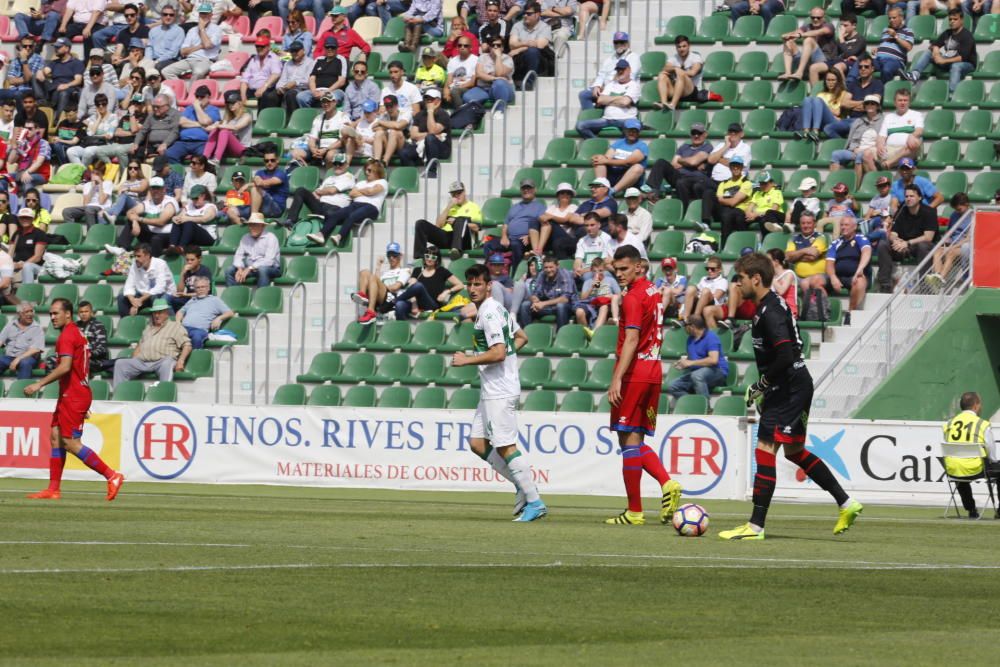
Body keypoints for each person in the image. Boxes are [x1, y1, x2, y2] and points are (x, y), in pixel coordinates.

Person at [720, 252, 863, 540]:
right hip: (792, 384)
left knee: (764, 449)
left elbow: (785, 354)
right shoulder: (767, 307)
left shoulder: (770, 310)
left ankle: (756, 525)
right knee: (794, 452)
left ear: (756, 278)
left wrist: (762, 383)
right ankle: (847, 503)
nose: (738, 285)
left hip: (788, 388)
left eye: (741, 279)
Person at [451, 263, 547, 521]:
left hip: (500, 389)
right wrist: (491, 357)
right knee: (477, 443)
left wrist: (467, 359)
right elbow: (521, 338)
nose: (472, 289)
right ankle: (522, 486)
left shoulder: (490, 312)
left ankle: (535, 501)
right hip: (493, 387)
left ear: (488, 285)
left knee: (505, 445)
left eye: (477, 284)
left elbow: (499, 352)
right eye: (469, 284)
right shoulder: (496, 309)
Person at [604, 244, 682, 525]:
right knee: (634, 439)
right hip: (653, 371)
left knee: (627, 439)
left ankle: (636, 510)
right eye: (617, 269)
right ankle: (666, 485)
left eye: (624, 268)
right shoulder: (653, 290)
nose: (619, 274)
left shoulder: (634, 298)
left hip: (635, 373)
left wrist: (616, 378)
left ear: (639, 266)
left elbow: (633, 339)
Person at [24, 298, 124, 502]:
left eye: (56, 313)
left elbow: (65, 367)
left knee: (71, 443)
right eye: (50, 313)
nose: (52, 317)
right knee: (55, 437)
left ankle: (112, 475)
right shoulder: (76, 333)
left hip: (74, 395)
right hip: (71, 394)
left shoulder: (67, 336)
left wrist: (39, 384)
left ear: (68, 314)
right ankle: (53, 489)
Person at [112, 297, 192, 387]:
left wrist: (181, 361)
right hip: (143, 361)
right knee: (121, 363)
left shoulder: (175, 327)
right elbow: (141, 344)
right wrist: (134, 358)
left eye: (160, 312)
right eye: (154, 312)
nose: (156, 315)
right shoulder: (148, 327)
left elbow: (187, 345)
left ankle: (165, 392)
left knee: (168, 363)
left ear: (166, 313)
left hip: (162, 361)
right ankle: (119, 394)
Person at [941, 391, 998, 519]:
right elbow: (991, 452)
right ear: (976, 406)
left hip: (953, 469)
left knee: (960, 470)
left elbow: (946, 444)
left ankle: (971, 509)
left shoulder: (949, 424)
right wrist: (994, 462)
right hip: (976, 468)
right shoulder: (982, 424)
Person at [306, 160, 387, 248]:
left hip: (371, 207)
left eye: (369, 170)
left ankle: (339, 237)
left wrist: (360, 191)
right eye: (366, 170)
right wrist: (366, 191)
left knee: (352, 215)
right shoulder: (361, 183)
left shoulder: (382, 182)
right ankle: (321, 235)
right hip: (356, 204)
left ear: (377, 171)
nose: (366, 172)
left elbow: (371, 191)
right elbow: (352, 194)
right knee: (335, 215)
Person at [877, 184, 936, 292]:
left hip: (919, 246)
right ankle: (885, 284)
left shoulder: (929, 212)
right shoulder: (902, 210)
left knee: (924, 246)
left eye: (912, 196)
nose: (908, 199)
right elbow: (893, 233)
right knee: (883, 244)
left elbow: (928, 237)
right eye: (906, 196)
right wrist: (896, 241)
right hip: (903, 246)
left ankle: (925, 285)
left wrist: (907, 243)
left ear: (920, 197)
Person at [642, 122, 713, 207]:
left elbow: (693, 162)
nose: (696, 136)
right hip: (679, 175)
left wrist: (682, 161)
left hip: (696, 179)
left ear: (705, 134)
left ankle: (683, 209)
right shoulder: (684, 147)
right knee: (661, 162)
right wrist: (692, 163)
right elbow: (674, 164)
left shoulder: (708, 147)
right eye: (694, 133)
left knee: (681, 183)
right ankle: (653, 191)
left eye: (699, 133)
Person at [482, 178, 546, 272]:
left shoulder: (540, 207)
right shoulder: (514, 207)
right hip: (509, 239)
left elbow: (542, 225)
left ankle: (515, 273)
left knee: (516, 245)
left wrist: (529, 236)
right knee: (488, 244)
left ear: (535, 190)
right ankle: (489, 271)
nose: (526, 190)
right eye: (524, 188)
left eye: (529, 188)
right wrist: (504, 236)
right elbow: (506, 224)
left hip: (524, 241)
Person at [280, 152, 354, 228]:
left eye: (340, 164)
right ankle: (290, 220)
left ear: (346, 165)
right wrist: (322, 192)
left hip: (335, 209)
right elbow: (316, 193)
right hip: (321, 206)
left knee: (330, 213)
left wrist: (321, 192)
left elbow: (332, 190)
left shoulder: (348, 177)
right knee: (300, 190)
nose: (337, 166)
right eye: (335, 163)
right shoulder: (329, 178)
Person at [667, 315, 729, 400]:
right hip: (697, 373)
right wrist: (683, 363)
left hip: (717, 371)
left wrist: (690, 363)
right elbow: (692, 358)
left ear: (692, 326)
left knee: (697, 376)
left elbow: (713, 360)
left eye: (686, 326)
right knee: (673, 386)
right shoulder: (690, 339)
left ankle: (705, 407)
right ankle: (692, 404)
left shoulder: (711, 337)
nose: (684, 328)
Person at [393, 244, 464, 319]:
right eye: (427, 256)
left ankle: (393, 302)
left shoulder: (442, 271)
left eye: (433, 257)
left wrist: (446, 292)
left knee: (419, 286)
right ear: (424, 257)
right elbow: (411, 288)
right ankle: (404, 328)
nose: (429, 259)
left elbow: (460, 284)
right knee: (399, 305)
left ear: (437, 259)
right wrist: (414, 305)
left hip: (432, 304)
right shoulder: (417, 270)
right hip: (417, 303)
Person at [575, 59, 639, 139]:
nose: (620, 72)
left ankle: (619, 148)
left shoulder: (633, 85)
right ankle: (598, 144)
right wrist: (620, 98)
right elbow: (600, 100)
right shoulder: (611, 84)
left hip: (625, 119)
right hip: (607, 119)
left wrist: (608, 101)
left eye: (623, 69)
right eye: (618, 69)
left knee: (631, 129)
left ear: (629, 70)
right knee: (580, 125)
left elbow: (625, 102)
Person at [829, 94, 883, 191]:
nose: (870, 106)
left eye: (873, 104)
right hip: (856, 149)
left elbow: (882, 140)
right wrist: (854, 148)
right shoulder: (858, 121)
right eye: (867, 104)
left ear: (878, 106)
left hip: (871, 151)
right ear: (864, 106)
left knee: (860, 156)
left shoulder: (883, 121)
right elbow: (852, 138)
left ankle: (856, 188)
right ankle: (834, 184)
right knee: (835, 154)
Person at [416, 181, 482, 259]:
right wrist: (448, 207)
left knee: (460, 219)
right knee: (420, 223)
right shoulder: (450, 207)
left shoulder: (473, 206)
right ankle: (419, 256)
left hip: (463, 239)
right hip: (447, 237)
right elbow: (438, 225)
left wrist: (456, 222)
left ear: (464, 192)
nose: (457, 196)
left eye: (459, 193)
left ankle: (456, 250)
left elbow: (477, 227)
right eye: (453, 194)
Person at [352, 242, 413, 325]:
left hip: (392, 300)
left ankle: (370, 311)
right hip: (382, 300)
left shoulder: (405, 271)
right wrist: (378, 266)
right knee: (364, 272)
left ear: (400, 256)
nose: (391, 258)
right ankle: (363, 296)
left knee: (373, 277)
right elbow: (375, 281)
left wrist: (379, 287)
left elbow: (395, 287)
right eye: (389, 255)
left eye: (394, 255)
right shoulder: (384, 273)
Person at [117, 176, 178, 256]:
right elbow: (130, 212)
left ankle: (155, 261)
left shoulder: (170, 202)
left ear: (164, 190)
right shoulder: (148, 202)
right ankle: (122, 248)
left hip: (166, 235)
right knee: (130, 221)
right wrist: (135, 221)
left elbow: (161, 222)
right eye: (153, 188)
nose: (155, 191)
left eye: (158, 188)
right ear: (150, 190)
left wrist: (139, 219)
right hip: (151, 233)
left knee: (155, 239)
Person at [161, 3, 223, 82]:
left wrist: (201, 29)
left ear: (211, 15)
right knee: (166, 71)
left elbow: (207, 45)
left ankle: (191, 93)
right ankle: (182, 90)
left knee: (198, 72)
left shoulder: (216, 29)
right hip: (189, 59)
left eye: (206, 14)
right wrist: (200, 46)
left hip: (205, 60)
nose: (203, 16)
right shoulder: (192, 30)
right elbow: (183, 51)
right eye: (201, 13)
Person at [579, 31, 640, 110]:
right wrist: (597, 86)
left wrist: (606, 86)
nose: (619, 45)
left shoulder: (633, 57)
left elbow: (629, 76)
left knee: (602, 96)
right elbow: (601, 75)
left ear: (627, 43)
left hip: (623, 88)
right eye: (616, 42)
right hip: (607, 87)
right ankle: (592, 115)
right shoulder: (610, 58)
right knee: (584, 95)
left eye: (622, 42)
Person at [825, 215, 871, 319]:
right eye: (841, 225)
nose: (843, 227)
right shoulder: (835, 242)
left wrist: (859, 271)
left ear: (854, 227)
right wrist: (833, 277)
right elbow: (829, 263)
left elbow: (866, 252)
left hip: (855, 276)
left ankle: (850, 313)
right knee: (815, 281)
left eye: (846, 225)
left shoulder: (860, 238)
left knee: (859, 282)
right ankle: (824, 311)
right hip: (838, 277)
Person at [926, 192, 973, 291]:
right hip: (953, 244)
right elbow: (949, 232)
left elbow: (969, 238)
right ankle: (937, 276)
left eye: (959, 209)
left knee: (950, 252)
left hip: (964, 246)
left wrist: (953, 246)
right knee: (937, 250)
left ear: (967, 204)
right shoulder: (954, 214)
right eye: (956, 209)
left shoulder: (974, 216)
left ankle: (941, 278)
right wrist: (945, 241)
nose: (957, 211)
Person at [401, 89, 451, 177]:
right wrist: (430, 135)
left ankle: (431, 171)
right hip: (422, 145)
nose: (428, 101)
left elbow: (432, 130)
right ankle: (412, 176)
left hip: (441, 149)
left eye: (431, 99)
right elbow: (413, 135)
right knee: (404, 152)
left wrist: (430, 112)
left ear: (438, 101)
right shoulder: (420, 115)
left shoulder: (443, 115)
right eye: (426, 99)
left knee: (430, 138)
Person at [32, 37, 85, 121]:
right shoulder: (54, 62)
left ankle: (58, 120)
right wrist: (41, 72)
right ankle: (42, 100)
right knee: (35, 75)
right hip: (53, 87)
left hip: (68, 89)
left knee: (63, 93)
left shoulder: (76, 63)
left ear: (67, 48)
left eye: (58, 47)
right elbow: (46, 71)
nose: (56, 49)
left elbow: (78, 80)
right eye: (55, 47)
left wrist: (67, 85)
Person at [117, 243, 176, 317]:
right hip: (143, 295)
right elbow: (129, 286)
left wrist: (140, 300)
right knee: (121, 297)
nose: (136, 259)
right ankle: (126, 323)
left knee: (158, 300)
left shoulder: (160, 264)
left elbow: (160, 288)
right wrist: (133, 301)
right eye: (135, 256)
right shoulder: (134, 265)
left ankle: (173, 323)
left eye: (138, 256)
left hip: (165, 293)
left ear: (147, 255)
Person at [517, 254, 575, 329]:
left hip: (567, 307)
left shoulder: (565, 274)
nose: (548, 270)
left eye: (551, 267)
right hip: (547, 306)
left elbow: (565, 299)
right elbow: (536, 293)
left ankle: (560, 335)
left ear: (557, 266)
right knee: (525, 305)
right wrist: (535, 300)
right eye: (546, 268)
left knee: (561, 306)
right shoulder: (542, 274)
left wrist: (543, 303)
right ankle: (527, 333)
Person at [779, 7, 836, 81]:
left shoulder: (829, 26)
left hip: (825, 61)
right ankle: (788, 73)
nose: (815, 19)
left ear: (824, 17)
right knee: (788, 42)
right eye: (813, 17)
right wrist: (786, 36)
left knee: (809, 40)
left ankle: (799, 72)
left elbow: (819, 32)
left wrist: (800, 35)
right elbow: (796, 32)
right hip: (808, 61)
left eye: (818, 18)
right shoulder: (807, 26)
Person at [807, 13, 866, 86]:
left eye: (845, 25)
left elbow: (849, 54)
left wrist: (841, 38)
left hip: (852, 63)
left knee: (837, 67)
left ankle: (845, 92)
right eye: (841, 25)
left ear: (854, 26)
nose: (842, 28)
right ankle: (815, 94)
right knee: (813, 68)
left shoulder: (860, 39)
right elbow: (834, 55)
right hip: (838, 61)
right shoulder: (840, 39)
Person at [176, 276, 233, 349]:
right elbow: (180, 312)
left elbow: (230, 312)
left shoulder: (214, 300)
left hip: (199, 330)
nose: (200, 289)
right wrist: (178, 323)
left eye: (203, 287)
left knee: (196, 336)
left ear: (208, 288)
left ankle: (195, 358)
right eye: (198, 287)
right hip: (184, 328)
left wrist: (219, 318)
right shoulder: (192, 300)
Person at [592, 119, 647, 195]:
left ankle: (612, 191)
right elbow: (607, 157)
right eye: (630, 130)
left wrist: (606, 161)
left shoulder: (642, 145)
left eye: (635, 131)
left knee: (638, 167)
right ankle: (601, 186)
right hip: (614, 173)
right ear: (625, 130)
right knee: (599, 160)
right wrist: (600, 158)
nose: (632, 133)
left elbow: (628, 162)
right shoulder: (619, 142)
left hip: (629, 179)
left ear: (638, 132)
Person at [226, 214, 282, 287]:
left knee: (263, 270)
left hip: (271, 268)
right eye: (250, 225)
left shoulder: (271, 238)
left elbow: (269, 261)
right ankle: (233, 294)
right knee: (229, 270)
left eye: (255, 225)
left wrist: (249, 268)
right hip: (250, 267)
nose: (252, 228)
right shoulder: (245, 237)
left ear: (262, 226)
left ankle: (261, 296)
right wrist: (239, 268)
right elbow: (238, 255)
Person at [799, 68, 851, 143]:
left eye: (833, 80)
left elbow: (837, 112)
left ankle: (815, 131)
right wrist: (823, 107)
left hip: (834, 122)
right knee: (807, 100)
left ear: (838, 81)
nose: (830, 82)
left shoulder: (844, 94)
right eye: (828, 80)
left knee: (817, 101)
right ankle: (806, 131)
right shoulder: (820, 94)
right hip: (821, 121)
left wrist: (823, 106)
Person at [654, 35, 703, 111]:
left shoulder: (695, 57)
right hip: (677, 91)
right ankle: (664, 103)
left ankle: (673, 104)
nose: (681, 49)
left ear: (689, 46)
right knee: (662, 75)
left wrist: (679, 71)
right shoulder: (674, 58)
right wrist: (675, 68)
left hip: (692, 92)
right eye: (679, 47)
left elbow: (693, 72)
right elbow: (664, 69)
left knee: (681, 74)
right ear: (676, 48)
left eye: (684, 46)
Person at [508, 2, 552, 86]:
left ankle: (529, 82)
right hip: (521, 59)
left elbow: (540, 45)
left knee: (533, 51)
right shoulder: (517, 25)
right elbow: (512, 44)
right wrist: (527, 43)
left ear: (538, 14)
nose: (525, 15)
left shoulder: (545, 27)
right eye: (524, 13)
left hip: (539, 61)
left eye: (529, 14)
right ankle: (514, 81)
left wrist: (520, 48)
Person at [712, 156, 753, 245]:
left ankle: (732, 244)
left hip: (740, 209)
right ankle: (725, 245)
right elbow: (719, 199)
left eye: (738, 166)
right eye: (733, 165)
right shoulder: (723, 183)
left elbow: (733, 202)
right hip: (726, 210)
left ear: (742, 167)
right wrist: (730, 201)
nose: (735, 168)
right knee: (726, 214)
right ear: (730, 167)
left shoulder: (746, 183)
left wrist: (726, 200)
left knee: (731, 216)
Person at [785, 211, 829, 295]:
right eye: (803, 223)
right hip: (798, 277)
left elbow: (813, 256)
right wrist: (805, 250)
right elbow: (787, 257)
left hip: (818, 275)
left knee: (808, 283)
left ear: (814, 224)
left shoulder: (820, 237)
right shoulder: (793, 238)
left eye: (809, 223)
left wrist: (795, 256)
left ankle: (821, 306)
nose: (806, 226)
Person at [202, 91, 253, 163]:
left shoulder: (247, 116)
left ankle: (216, 159)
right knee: (216, 130)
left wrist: (217, 125)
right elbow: (221, 126)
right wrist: (214, 126)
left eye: (233, 103)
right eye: (229, 103)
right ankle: (205, 157)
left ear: (239, 103)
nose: (231, 105)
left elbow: (236, 127)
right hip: (229, 149)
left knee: (224, 131)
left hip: (242, 149)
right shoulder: (229, 118)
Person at [267, 41, 314, 114]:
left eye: (297, 50)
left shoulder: (310, 62)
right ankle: (273, 120)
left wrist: (295, 83)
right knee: (270, 96)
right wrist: (279, 88)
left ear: (303, 50)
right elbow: (282, 79)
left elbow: (308, 81)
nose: (294, 53)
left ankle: (292, 120)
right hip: (286, 88)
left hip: (301, 89)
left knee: (290, 94)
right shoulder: (287, 63)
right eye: (292, 51)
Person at [0, 301, 44, 379]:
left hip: (28, 358)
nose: (30, 314)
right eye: (27, 312)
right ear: (19, 313)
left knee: (25, 363)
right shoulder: (11, 325)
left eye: (31, 311)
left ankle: (22, 388)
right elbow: (1, 341)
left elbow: (35, 349)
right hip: (9, 357)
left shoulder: (37, 328)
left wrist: (18, 359)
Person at [167, 184, 216, 254]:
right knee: (177, 222)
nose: (194, 201)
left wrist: (187, 218)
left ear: (203, 196)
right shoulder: (189, 206)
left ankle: (181, 247)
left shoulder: (210, 207)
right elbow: (181, 217)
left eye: (196, 198)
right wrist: (175, 218)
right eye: (192, 199)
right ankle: (172, 246)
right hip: (191, 237)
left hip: (207, 236)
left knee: (189, 223)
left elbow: (204, 219)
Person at [465, 37, 516, 105]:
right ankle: (482, 106)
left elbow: (499, 74)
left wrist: (498, 56)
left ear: (502, 48)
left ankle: (500, 111)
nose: (495, 47)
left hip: (504, 90)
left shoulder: (507, 59)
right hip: (484, 89)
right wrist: (494, 78)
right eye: (492, 45)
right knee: (467, 97)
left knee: (499, 83)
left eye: (498, 45)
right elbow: (479, 74)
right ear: (489, 47)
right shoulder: (483, 57)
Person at [302, 37, 349, 109]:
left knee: (334, 97)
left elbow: (341, 81)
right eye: (327, 47)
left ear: (337, 48)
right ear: (324, 48)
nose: (330, 49)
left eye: (332, 47)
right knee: (301, 97)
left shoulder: (341, 59)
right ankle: (311, 116)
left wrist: (326, 92)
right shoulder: (319, 59)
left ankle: (327, 117)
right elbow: (311, 78)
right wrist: (314, 91)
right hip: (317, 90)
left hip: (333, 90)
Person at [574, 257, 621, 329]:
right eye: (595, 271)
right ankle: (586, 332)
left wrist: (610, 296)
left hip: (606, 304)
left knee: (604, 307)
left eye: (600, 271)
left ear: (604, 270)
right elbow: (583, 298)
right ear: (591, 270)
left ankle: (595, 332)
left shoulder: (610, 280)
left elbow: (619, 296)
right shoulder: (588, 282)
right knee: (579, 311)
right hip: (592, 304)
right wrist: (591, 287)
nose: (598, 273)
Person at [869, 6, 914, 82]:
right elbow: (885, 44)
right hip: (879, 59)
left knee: (887, 69)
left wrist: (895, 36)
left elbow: (909, 47)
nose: (891, 20)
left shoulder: (908, 31)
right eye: (889, 18)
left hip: (895, 61)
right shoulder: (886, 30)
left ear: (901, 17)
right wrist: (877, 49)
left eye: (894, 18)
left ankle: (884, 92)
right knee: (860, 63)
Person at [130, 94, 180, 161]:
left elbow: (175, 132)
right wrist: (136, 143)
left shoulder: (175, 114)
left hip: (168, 145)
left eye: (158, 107)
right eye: (154, 106)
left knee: (167, 156)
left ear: (167, 106)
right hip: (151, 146)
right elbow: (142, 131)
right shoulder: (151, 115)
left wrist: (165, 144)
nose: (155, 109)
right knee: (134, 153)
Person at [63, 162, 113, 227]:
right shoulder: (87, 185)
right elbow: (85, 203)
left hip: (101, 208)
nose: (94, 176)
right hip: (88, 208)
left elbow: (101, 202)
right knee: (67, 211)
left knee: (89, 209)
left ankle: (91, 234)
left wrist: (100, 184)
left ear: (102, 175)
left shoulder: (107, 183)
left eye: (97, 174)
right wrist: (92, 188)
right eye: (93, 173)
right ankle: (73, 232)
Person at [240, 34, 282, 107]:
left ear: (268, 47)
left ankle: (262, 117)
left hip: (267, 89)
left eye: (262, 46)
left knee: (266, 96)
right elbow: (244, 79)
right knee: (230, 94)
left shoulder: (274, 58)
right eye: (257, 46)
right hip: (251, 90)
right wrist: (243, 95)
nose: (259, 48)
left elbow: (276, 74)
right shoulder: (253, 59)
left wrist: (263, 87)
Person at [6, 121, 52, 189]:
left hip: (40, 174)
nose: (27, 131)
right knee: (3, 177)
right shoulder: (22, 142)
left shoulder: (43, 143)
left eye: (30, 129)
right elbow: (11, 161)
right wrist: (16, 146)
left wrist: (27, 172)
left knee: (26, 179)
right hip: (21, 172)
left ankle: (28, 199)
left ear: (37, 129)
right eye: (25, 128)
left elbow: (38, 163)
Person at [10, 207, 48, 285]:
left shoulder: (39, 234)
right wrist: (10, 264)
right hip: (17, 265)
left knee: (27, 266)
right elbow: (10, 254)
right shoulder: (16, 234)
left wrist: (21, 265)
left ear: (32, 219)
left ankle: (27, 293)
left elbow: (37, 257)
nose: (25, 219)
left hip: (35, 266)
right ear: (19, 219)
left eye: (28, 217)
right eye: (22, 217)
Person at [2, 39, 47, 105]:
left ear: (34, 47)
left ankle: (21, 115)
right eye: (25, 46)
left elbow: (29, 78)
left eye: (30, 46)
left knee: (18, 95)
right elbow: (11, 81)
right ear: (21, 47)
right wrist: (24, 78)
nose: (27, 48)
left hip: (29, 90)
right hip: (14, 90)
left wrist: (24, 60)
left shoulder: (38, 59)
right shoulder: (16, 60)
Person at [169, 245, 214, 311]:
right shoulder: (186, 271)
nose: (189, 262)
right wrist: (182, 274)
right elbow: (179, 291)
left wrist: (186, 294)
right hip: (189, 299)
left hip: (201, 299)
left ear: (199, 259)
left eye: (192, 260)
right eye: (187, 260)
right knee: (171, 300)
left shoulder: (205, 271)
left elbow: (205, 293)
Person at [251, 149, 290, 220]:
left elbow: (260, 182)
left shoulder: (281, 173)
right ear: (264, 162)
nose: (269, 163)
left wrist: (248, 185)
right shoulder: (260, 172)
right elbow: (257, 181)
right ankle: (250, 222)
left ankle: (253, 218)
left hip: (276, 208)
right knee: (232, 211)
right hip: (262, 205)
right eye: (267, 161)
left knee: (255, 189)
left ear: (277, 160)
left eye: (272, 160)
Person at [743, 170, 785, 235]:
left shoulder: (777, 192)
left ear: (771, 183)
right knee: (741, 219)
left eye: (765, 183)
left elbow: (774, 209)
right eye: (761, 183)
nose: (762, 186)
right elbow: (749, 207)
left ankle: (765, 241)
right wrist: (748, 214)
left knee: (764, 220)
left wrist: (756, 214)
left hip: (770, 216)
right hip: (758, 215)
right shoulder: (757, 193)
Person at [573, 213, 613, 279]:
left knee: (599, 276)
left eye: (592, 225)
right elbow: (578, 260)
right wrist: (577, 269)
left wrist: (585, 270)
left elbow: (604, 262)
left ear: (599, 225)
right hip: (585, 272)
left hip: (601, 270)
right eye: (586, 225)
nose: (589, 228)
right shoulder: (582, 241)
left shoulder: (607, 239)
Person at [147, 4, 185, 70]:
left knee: (157, 66)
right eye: (165, 14)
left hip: (170, 60)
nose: (168, 17)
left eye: (171, 15)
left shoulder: (179, 31)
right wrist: (148, 60)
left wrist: (157, 61)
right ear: (161, 16)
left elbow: (173, 53)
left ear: (174, 17)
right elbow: (149, 47)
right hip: (153, 59)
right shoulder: (153, 30)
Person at [444, 36, 480, 106]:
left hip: (467, 88)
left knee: (454, 91)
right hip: (454, 87)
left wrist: (454, 88)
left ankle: (460, 113)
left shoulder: (476, 60)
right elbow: (449, 80)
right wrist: (446, 91)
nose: (462, 47)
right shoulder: (452, 61)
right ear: (457, 47)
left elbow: (472, 83)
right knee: (433, 93)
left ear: (471, 48)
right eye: (460, 45)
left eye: (465, 46)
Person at [768, 248, 798, 317]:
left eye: (768, 261)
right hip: (775, 310)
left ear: (776, 261)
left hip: (789, 312)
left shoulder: (789, 273)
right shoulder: (773, 277)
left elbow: (781, 291)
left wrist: (770, 276)